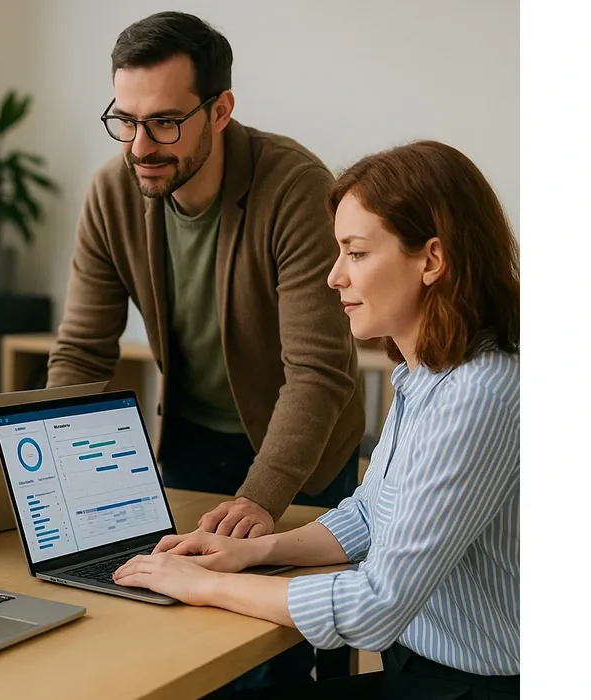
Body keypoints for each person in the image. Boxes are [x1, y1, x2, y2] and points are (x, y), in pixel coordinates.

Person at [113, 140, 520, 699]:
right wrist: (253, 552)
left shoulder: (479, 394)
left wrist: (202, 585)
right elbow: (371, 513)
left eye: (356, 253)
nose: (334, 277)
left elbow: (374, 606)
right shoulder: (426, 375)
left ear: (431, 260)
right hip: (422, 671)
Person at [47, 10, 364, 542]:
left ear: (220, 112)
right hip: (188, 441)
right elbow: (82, 352)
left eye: (165, 122)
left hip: (301, 455)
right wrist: (47, 469)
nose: (140, 147)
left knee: (280, 593)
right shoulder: (111, 193)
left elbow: (317, 370)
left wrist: (260, 496)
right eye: (126, 121)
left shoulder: (295, 188)